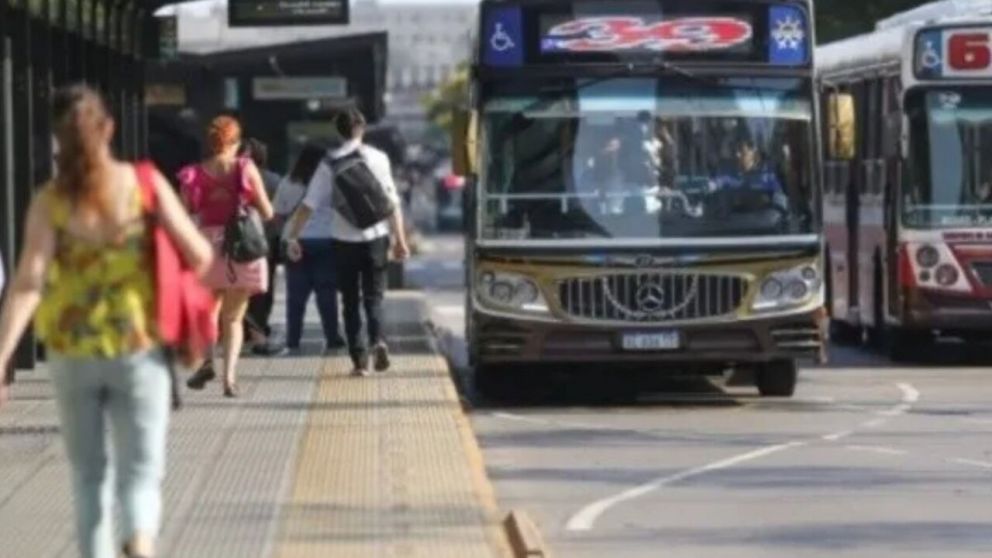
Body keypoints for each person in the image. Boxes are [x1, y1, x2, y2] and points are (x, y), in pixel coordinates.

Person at [0, 85, 212, 558]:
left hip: (72, 351)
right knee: (141, 469)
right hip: (138, 346)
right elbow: (199, 255)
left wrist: (0, 356)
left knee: (88, 476)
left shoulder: (50, 201)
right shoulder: (144, 184)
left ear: (58, 138)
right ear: (109, 129)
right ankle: (138, 537)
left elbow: (29, 282)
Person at [285, 108, 411, 376]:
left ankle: (359, 362)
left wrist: (293, 236)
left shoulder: (328, 163)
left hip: (343, 241)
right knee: (374, 297)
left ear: (338, 131)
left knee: (350, 301)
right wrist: (400, 239)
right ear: (362, 128)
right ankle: (378, 340)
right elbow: (391, 203)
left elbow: (308, 205)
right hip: (376, 237)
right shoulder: (379, 158)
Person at [179, 116, 275, 397]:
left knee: (209, 312)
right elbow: (268, 212)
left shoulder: (192, 174)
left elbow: (183, 216)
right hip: (241, 246)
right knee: (233, 319)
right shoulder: (246, 168)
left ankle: (208, 360)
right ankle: (229, 379)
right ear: (235, 142)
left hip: (207, 247)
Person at [272, 144, 346, 353]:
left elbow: (277, 215)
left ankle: (293, 340)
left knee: (295, 295)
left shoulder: (288, 182)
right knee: (326, 293)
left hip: (296, 241)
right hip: (325, 240)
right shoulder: (331, 181)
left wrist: (285, 235)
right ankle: (332, 338)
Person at [241, 138, 285, 356]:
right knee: (263, 289)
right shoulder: (275, 180)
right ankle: (258, 328)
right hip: (266, 242)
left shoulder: (233, 178)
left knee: (239, 288)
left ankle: (248, 329)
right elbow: (276, 214)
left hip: (238, 241)